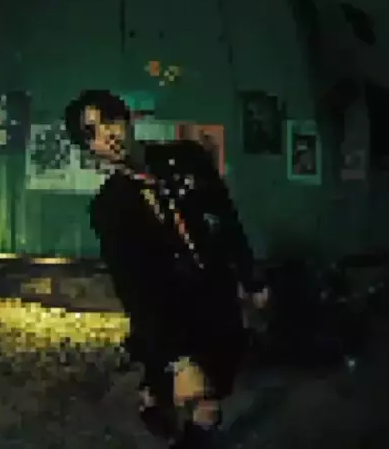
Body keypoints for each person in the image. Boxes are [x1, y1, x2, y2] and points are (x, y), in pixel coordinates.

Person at [64, 90, 269, 448]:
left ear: (127, 118)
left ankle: (157, 398)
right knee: (201, 401)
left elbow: (226, 219)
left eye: (110, 120)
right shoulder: (108, 208)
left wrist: (251, 278)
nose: (107, 135)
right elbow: (134, 288)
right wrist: (179, 361)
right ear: (89, 149)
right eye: (91, 133)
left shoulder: (187, 158)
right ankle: (162, 403)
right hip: (168, 312)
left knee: (215, 385)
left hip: (216, 296)